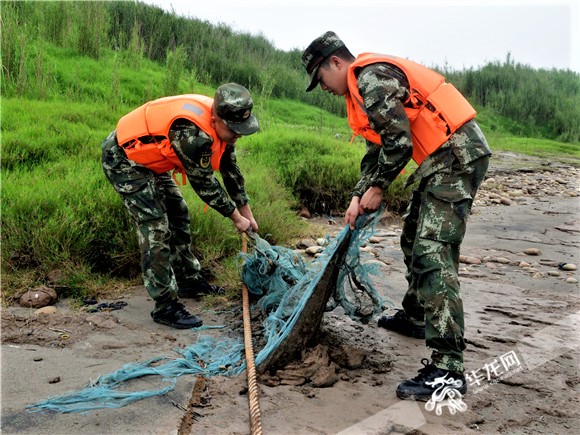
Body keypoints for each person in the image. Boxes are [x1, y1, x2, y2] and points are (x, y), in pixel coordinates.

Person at [301, 31, 491, 401]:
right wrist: (359, 194)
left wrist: (379, 188)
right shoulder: (360, 91)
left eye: (320, 78)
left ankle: (448, 369)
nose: (321, 87)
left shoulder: (369, 78)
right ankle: (417, 316)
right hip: (439, 160)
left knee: (432, 252)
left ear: (335, 63)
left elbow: (400, 142)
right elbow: (377, 149)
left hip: (456, 155)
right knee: (412, 238)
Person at [102, 83, 259, 329]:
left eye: (242, 128)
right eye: (234, 129)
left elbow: (230, 170)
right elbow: (204, 184)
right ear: (216, 120)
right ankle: (165, 305)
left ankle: (188, 280)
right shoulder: (192, 134)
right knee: (155, 226)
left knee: (178, 212)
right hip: (125, 159)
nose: (238, 134)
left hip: (153, 162)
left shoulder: (224, 125)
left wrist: (246, 210)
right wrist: (237, 219)